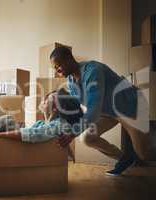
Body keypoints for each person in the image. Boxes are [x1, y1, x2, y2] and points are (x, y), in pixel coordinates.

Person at [50, 46, 156, 176]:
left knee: (145, 153)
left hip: (130, 106)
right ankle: (125, 158)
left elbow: (93, 109)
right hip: (108, 111)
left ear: (68, 59)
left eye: (58, 66)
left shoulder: (93, 71)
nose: (57, 71)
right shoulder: (71, 82)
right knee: (87, 138)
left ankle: (141, 149)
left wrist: (72, 134)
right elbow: (78, 110)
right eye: (55, 68)